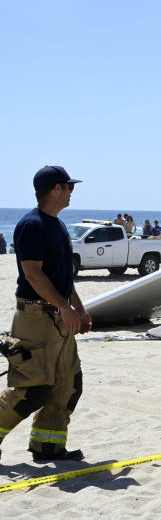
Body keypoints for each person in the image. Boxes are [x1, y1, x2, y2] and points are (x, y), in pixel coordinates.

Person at [0, 165, 92, 462]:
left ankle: (47, 447)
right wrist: (66, 308)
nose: (71, 193)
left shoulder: (57, 224)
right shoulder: (33, 225)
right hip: (36, 318)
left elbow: (62, 277)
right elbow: (34, 274)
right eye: (69, 187)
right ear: (55, 189)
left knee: (68, 384)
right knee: (31, 390)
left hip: (59, 316)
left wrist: (78, 308)